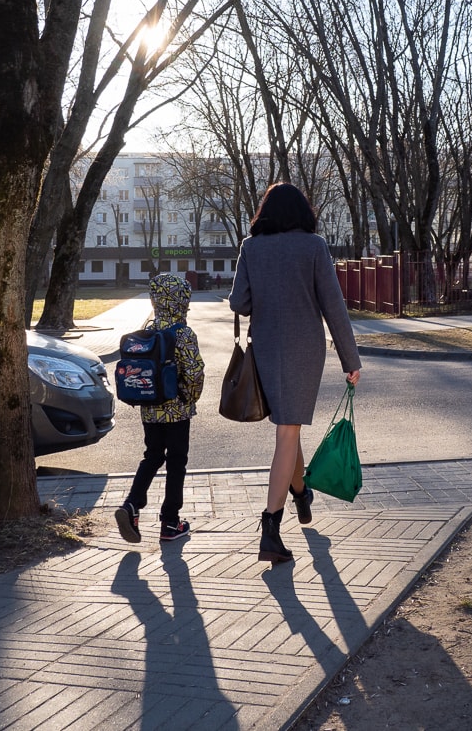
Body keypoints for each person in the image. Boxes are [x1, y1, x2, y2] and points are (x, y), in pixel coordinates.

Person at [229, 183, 362, 564]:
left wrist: (266, 293)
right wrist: (351, 360)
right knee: (288, 429)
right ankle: (270, 525)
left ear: (265, 213)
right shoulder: (314, 246)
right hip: (305, 350)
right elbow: (333, 307)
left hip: (268, 348)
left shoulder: (250, 248)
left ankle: (301, 492)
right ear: (303, 212)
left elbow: (239, 301)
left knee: (289, 426)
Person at [115, 273, 205, 543]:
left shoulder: (147, 332)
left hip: (150, 408)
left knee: (152, 456)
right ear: (181, 300)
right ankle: (170, 522)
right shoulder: (183, 333)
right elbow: (194, 372)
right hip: (177, 410)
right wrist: (189, 398)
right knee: (177, 462)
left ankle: (131, 505)